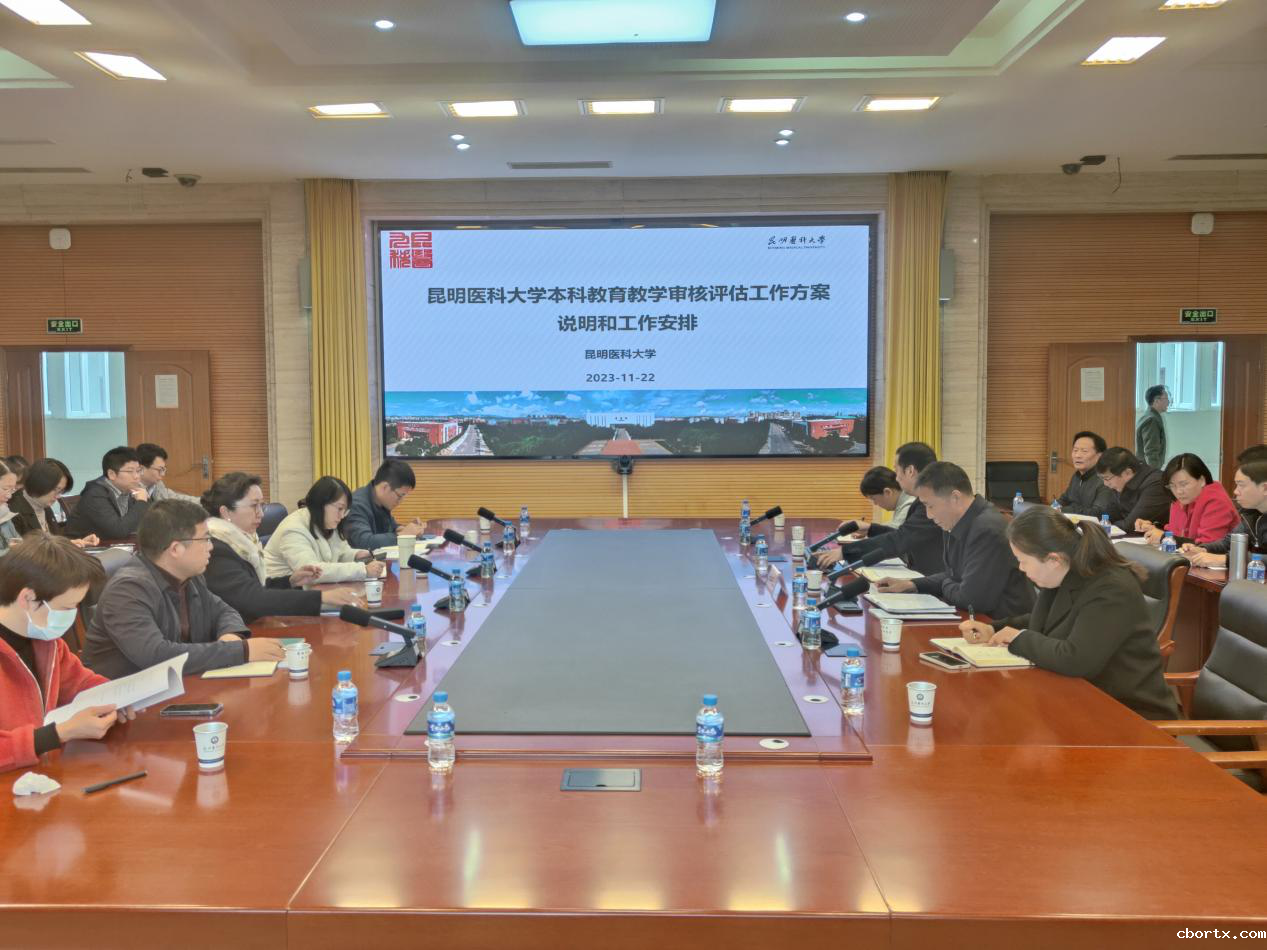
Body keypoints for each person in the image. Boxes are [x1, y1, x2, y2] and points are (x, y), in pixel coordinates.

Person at [959, 506, 1179, 720]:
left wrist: (1018, 639)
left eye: (1023, 561)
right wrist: (993, 629)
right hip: (1079, 699)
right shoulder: (1065, 574)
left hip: (1129, 715)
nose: (1021, 568)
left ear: (1053, 559)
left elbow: (1076, 659)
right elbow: (1043, 621)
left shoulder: (1111, 589)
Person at [82, 499, 284, 678]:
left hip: (176, 686)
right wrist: (240, 651)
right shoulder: (128, 590)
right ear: (176, 549)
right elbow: (156, 656)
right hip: (123, 698)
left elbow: (224, 611)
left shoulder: (189, 577)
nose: (211, 547)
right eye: (205, 539)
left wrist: (230, 637)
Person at [0, 535, 138, 772]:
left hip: (40, 773)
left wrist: (119, 696)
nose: (72, 616)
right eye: (66, 608)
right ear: (28, 598)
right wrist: (59, 733)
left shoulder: (45, 640)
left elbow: (79, 683)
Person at [877, 461, 1034, 618]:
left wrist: (948, 583)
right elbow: (954, 575)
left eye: (930, 506)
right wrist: (912, 584)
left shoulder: (987, 530)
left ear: (955, 498)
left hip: (1001, 625)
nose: (928, 515)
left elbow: (971, 600)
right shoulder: (955, 521)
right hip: (977, 620)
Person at [200, 472, 363, 624]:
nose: (261, 514)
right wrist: (320, 597)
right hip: (236, 633)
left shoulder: (241, 541)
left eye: (262, 506)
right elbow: (253, 599)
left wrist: (290, 581)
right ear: (226, 512)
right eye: (254, 506)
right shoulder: (216, 548)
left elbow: (255, 587)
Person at [820, 442, 945, 576]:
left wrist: (845, 552)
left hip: (934, 581)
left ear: (910, 471)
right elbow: (905, 534)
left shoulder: (933, 502)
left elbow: (900, 540)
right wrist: (870, 529)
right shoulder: (924, 499)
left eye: (897, 471)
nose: (896, 478)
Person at [265, 476, 388, 583]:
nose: (342, 516)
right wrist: (362, 570)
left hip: (310, 591)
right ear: (321, 503)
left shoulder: (325, 521)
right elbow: (313, 572)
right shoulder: (293, 530)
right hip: (282, 595)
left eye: (345, 511)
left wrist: (356, 555)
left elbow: (339, 552)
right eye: (339, 508)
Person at [1182, 457, 1267, 568]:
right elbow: (1227, 543)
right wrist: (1203, 549)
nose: (1235, 491)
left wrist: (1226, 559)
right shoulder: (1251, 514)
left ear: (1265, 488)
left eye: (1241, 485)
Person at [1139, 453, 1238, 546]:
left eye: (1183, 484)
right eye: (1172, 486)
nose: (1178, 491)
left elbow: (1208, 545)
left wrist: (1163, 537)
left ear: (1202, 480)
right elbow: (1177, 534)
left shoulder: (1216, 502)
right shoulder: (1179, 500)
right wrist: (1153, 528)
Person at [65, 446, 150, 541]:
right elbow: (118, 531)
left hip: (112, 544)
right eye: (130, 471)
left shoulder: (129, 490)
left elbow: (142, 524)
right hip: (82, 547)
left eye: (138, 471)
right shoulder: (95, 495)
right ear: (111, 474)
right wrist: (141, 502)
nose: (137, 476)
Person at [8, 458, 99, 547]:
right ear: (39, 483)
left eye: (61, 491)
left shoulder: (44, 505)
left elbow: (53, 543)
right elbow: (24, 551)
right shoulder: (13, 511)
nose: (58, 496)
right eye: (56, 490)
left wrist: (73, 543)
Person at [344, 459, 426, 552]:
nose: (401, 501)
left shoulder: (381, 502)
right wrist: (402, 536)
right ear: (385, 487)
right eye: (400, 496)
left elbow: (391, 526)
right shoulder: (356, 504)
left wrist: (404, 529)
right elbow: (364, 542)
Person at [1096, 447, 1170, 533]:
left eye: (1107, 478)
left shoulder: (1156, 484)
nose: (1105, 483)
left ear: (1128, 472)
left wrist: (1107, 525)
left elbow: (1130, 526)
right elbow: (1110, 516)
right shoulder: (1119, 484)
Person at [1054, 430, 1114, 517]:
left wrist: (1063, 510)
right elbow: (1064, 499)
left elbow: (1098, 512)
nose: (1077, 455)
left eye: (1084, 451)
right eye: (1075, 450)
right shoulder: (1077, 476)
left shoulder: (1106, 479)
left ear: (1100, 456)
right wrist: (1053, 508)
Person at [847, 466, 914, 538]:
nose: (875, 503)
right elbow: (892, 526)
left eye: (873, 498)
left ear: (887, 492)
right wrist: (867, 530)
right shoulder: (902, 501)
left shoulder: (909, 505)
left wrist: (869, 529)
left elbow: (895, 534)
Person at [1135, 385, 1168, 470]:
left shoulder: (1149, 416)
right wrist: (1154, 473)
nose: (1168, 402)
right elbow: (1151, 451)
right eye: (1166, 398)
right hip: (1147, 470)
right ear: (1156, 401)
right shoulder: (1152, 420)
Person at [0, 460, 20, 556]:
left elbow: (17, 541)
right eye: (5, 489)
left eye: (12, 490)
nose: (9, 496)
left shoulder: (4, 512)